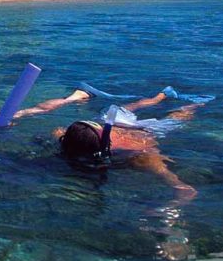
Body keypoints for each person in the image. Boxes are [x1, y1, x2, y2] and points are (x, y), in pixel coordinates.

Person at [13, 87, 202, 205]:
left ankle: (158, 97)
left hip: (117, 121)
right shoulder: (141, 154)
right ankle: (195, 105)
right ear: (104, 138)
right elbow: (185, 190)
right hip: (148, 130)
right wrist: (168, 215)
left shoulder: (63, 135)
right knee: (177, 116)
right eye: (99, 127)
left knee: (132, 106)